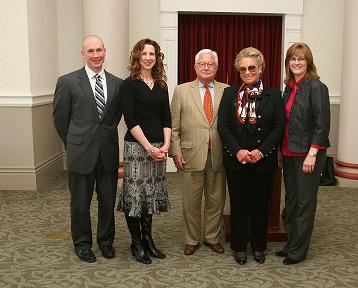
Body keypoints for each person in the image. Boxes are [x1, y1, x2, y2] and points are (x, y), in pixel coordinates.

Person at [53, 35, 123, 262]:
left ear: (105, 51)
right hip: (80, 153)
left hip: (108, 153)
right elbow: (60, 120)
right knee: (80, 204)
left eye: (99, 50)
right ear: (83, 53)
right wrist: (74, 143)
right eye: (90, 51)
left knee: (107, 201)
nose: (96, 55)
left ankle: (106, 242)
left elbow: (115, 118)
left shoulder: (118, 83)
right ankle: (82, 244)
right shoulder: (68, 81)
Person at [217, 47, 285, 265]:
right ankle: (239, 247)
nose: (247, 72)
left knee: (260, 205)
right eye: (243, 69)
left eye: (252, 67)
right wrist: (238, 150)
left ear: (261, 68)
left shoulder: (274, 95)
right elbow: (224, 126)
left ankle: (258, 246)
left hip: (263, 161)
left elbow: (278, 127)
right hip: (236, 159)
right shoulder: (230, 93)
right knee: (238, 205)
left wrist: (261, 151)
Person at [117, 39, 171, 264]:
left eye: (153, 54)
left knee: (149, 196)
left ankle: (148, 240)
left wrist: (166, 145)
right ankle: (136, 243)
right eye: (144, 53)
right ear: (137, 56)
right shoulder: (129, 84)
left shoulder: (161, 84)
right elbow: (130, 120)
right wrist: (149, 147)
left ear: (157, 57)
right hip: (137, 148)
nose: (149, 57)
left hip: (159, 148)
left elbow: (167, 117)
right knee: (135, 196)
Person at [276, 42, 330, 265]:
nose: (296, 62)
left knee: (304, 202)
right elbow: (285, 123)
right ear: (288, 63)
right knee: (291, 200)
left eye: (301, 58)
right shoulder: (288, 87)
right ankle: (291, 243)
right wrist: (280, 150)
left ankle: (298, 252)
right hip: (288, 152)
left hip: (308, 155)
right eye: (292, 58)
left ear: (308, 62)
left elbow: (322, 124)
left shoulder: (317, 87)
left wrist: (313, 153)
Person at [170, 49, 228, 256]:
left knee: (216, 201)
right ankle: (191, 239)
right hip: (190, 155)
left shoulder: (227, 90)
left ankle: (212, 238)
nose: (206, 67)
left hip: (219, 155)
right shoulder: (181, 91)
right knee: (191, 202)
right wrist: (175, 152)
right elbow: (174, 126)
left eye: (210, 63)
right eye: (202, 63)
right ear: (195, 67)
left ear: (217, 67)